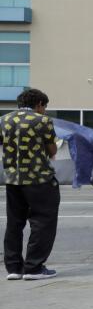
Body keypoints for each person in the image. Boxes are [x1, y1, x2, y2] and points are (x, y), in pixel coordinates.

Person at [2, 88, 59, 280]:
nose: (44, 110)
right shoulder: (42, 120)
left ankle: (14, 268)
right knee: (43, 222)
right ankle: (34, 267)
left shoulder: (4, 120)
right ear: (40, 104)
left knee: (14, 222)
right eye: (44, 107)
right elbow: (52, 150)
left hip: (12, 180)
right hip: (39, 179)